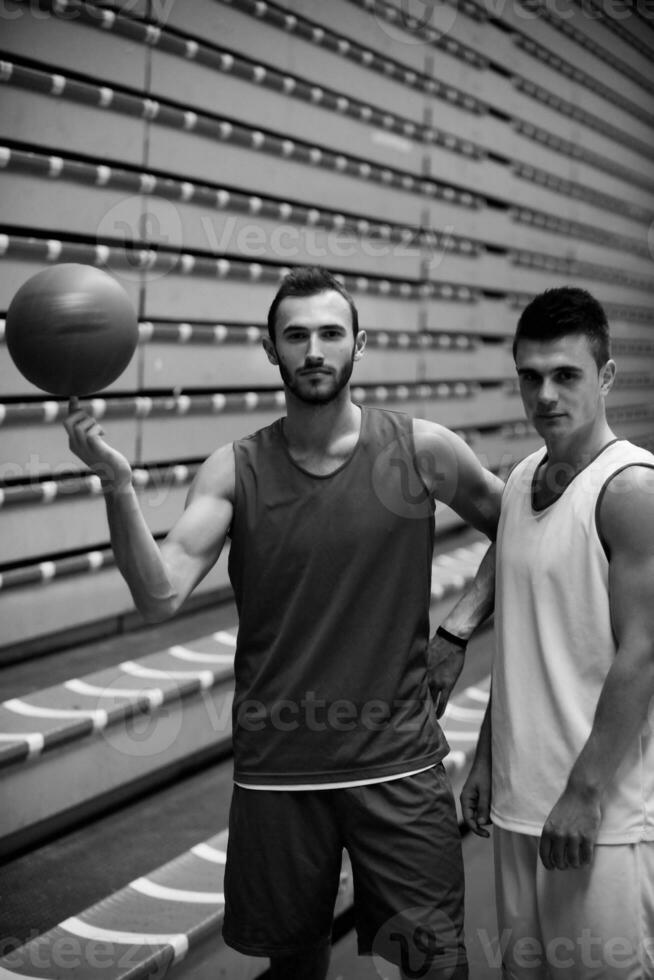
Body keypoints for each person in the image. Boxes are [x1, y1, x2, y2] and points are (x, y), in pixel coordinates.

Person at [65, 266, 503, 980]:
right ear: (270, 350)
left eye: (331, 333)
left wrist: (457, 630)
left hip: (397, 764)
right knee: (293, 970)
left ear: (361, 343)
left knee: (433, 964)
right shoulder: (234, 471)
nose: (315, 350)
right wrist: (117, 485)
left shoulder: (423, 450)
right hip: (279, 771)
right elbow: (159, 593)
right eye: (295, 335)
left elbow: (520, 532)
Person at [459, 287, 654, 979]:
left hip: (598, 817)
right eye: (530, 376)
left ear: (605, 377)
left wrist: (585, 792)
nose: (545, 394)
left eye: (566, 374)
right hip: (520, 805)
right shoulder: (517, 482)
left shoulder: (630, 489)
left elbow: (644, 654)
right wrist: (486, 756)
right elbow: (525, 641)